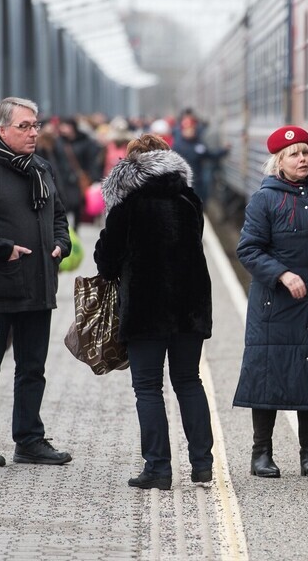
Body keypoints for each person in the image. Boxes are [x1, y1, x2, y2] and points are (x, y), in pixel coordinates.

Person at [232, 125, 308, 479]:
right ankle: (261, 453)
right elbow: (249, 249)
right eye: (294, 155)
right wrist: (283, 275)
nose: (302, 159)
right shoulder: (264, 200)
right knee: (269, 377)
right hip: (276, 307)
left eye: (305, 152)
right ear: (279, 162)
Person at [94, 134, 215, 490]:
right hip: (190, 306)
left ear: (131, 165)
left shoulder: (127, 205)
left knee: (148, 388)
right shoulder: (189, 199)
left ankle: (158, 469)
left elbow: (106, 262)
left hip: (145, 308)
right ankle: (202, 465)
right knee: (189, 381)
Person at [0, 97, 73, 468]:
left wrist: (61, 244)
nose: (33, 133)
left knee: (32, 368)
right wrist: (2, 248)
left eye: (35, 125)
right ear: (1, 130)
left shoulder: (41, 168)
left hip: (39, 285)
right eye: (24, 126)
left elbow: (59, 216)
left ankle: (29, 440)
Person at [172, 115, 227, 202]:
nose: (190, 131)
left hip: (198, 181)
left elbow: (210, 155)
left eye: (192, 129)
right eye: (187, 129)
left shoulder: (199, 144)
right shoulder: (177, 146)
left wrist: (224, 150)